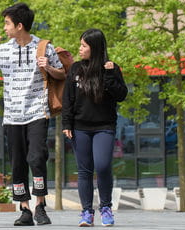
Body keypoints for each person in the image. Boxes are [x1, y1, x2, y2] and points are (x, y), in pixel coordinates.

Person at [0, 3, 65, 226]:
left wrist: (48, 67)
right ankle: (24, 209)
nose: (4, 28)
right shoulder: (3, 49)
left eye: (7, 23)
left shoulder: (44, 47)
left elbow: (61, 73)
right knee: (18, 162)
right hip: (12, 116)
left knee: (37, 158)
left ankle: (40, 205)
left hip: (37, 112)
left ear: (19, 25)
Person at [61, 28, 128, 227]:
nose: (80, 49)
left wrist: (108, 75)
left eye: (84, 45)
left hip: (104, 126)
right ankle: (86, 212)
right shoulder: (75, 69)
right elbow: (68, 99)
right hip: (79, 127)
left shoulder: (111, 68)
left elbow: (121, 95)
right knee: (84, 170)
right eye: (80, 45)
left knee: (103, 166)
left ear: (95, 47)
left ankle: (106, 208)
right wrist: (66, 123)